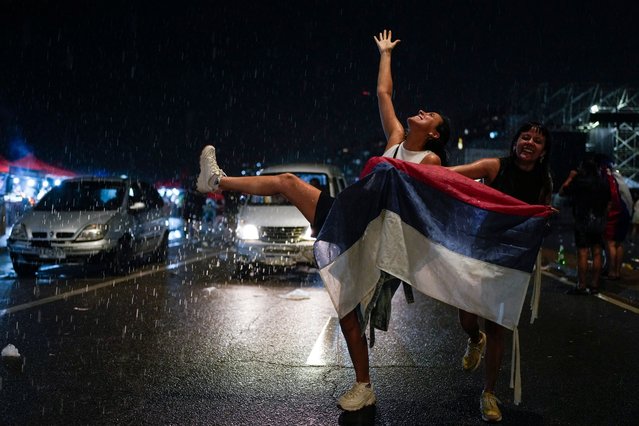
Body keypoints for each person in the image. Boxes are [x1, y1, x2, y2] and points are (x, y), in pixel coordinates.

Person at [196, 28, 451, 413]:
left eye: (431, 116)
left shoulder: (430, 161)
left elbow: (443, 193)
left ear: (434, 134)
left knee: (349, 307)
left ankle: (364, 386)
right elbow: (384, 95)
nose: (423, 111)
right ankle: (215, 181)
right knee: (286, 182)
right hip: (350, 212)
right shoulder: (396, 139)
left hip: (376, 235)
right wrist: (385, 54)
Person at [448, 122, 553, 423]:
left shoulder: (544, 181)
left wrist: (546, 218)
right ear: (516, 142)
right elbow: (453, 176)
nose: (530, 142)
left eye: (537, 140)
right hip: (480, 253)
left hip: (511, 260)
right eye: (525, 136)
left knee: (497, 327)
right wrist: (420, 171)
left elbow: (540, 220)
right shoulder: (494, 167)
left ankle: (489, 393)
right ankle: (473, 339)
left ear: (543, 151)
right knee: (467, 318)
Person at [559, 153, 610, 295]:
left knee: (582, 253)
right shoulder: (603, 182)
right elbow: (609, 203)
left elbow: (563, 192)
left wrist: (570, 177)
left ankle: (581, 284)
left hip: (582, 220)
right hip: (598, 220)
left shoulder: (579, 181)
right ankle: (594, 284)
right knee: (597, 252)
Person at [599, 156, 632, 281]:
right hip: (624, 212)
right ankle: (617, 271)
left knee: (610, 243)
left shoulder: (607, 178)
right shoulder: (618, 178)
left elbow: (611, 198)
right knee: (619, 243)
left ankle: (611, 271)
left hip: (615, 213)